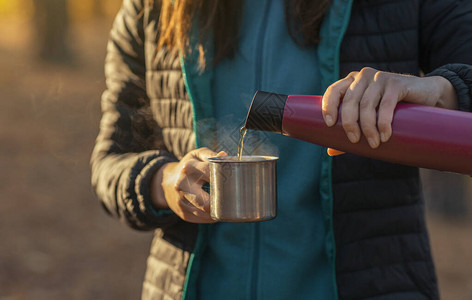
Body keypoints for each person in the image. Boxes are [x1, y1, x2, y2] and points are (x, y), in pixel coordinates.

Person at [91, 0, 472, 299]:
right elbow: (111, 160)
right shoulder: (152, 7)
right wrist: (165, 181)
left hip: (371, 284)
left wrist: (442, 89)